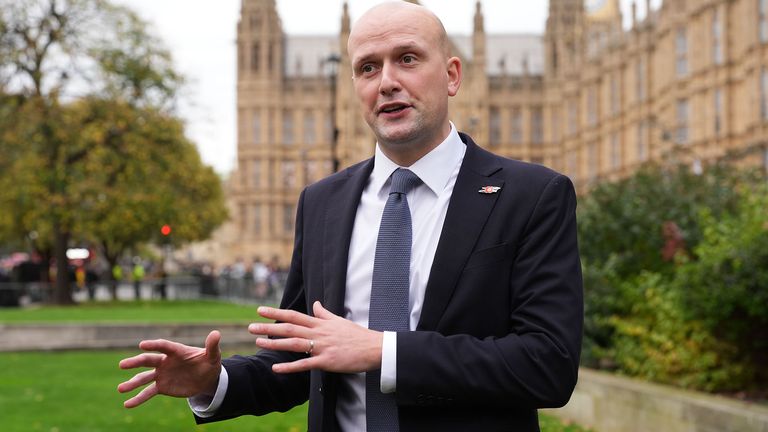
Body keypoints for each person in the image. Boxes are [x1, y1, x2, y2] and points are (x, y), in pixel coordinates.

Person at [117, 2, 583, 431]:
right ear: (354, 88)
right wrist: (212, 381)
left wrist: (384, 352)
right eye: (367, 67)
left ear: (453, 75)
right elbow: (298, 360)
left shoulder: (532, 196)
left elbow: (548, 365)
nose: (387, 82)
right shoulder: (321, 204)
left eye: (408, 59)